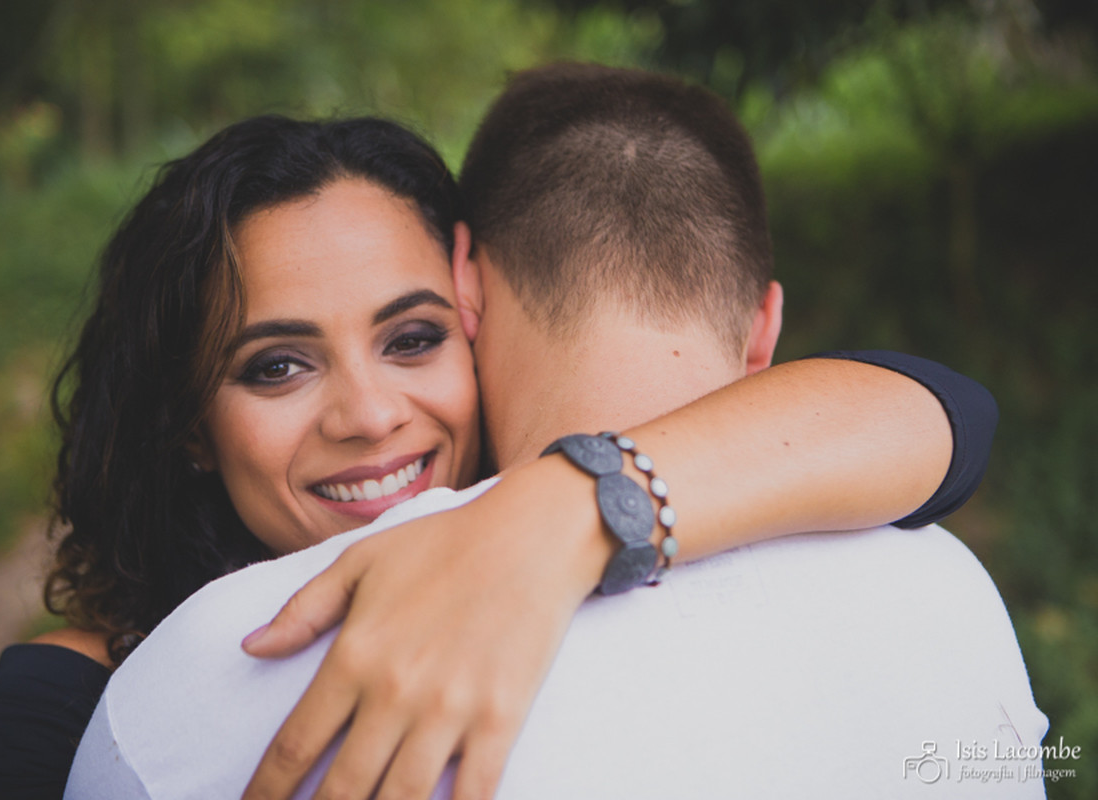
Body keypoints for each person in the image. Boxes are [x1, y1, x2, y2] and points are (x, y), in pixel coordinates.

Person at [64, 64, 1044, 799]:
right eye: (275, 364)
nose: (367, 414)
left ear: (470, 296)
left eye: (411, 337)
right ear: (766, 332)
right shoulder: (953, 594)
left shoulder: (167, 714)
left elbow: (942, 413)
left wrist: (573, 502)